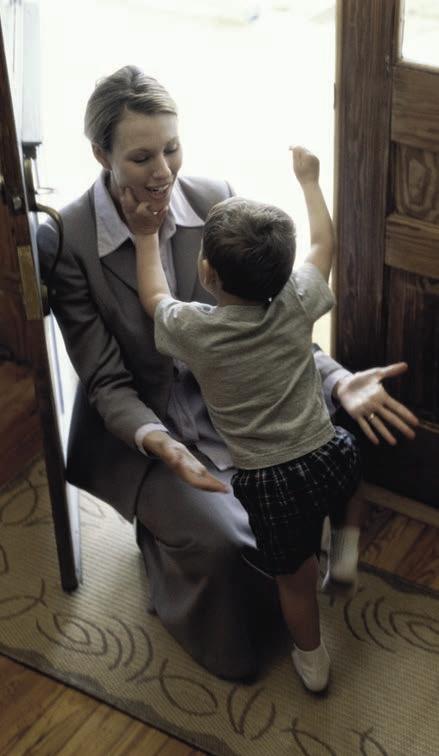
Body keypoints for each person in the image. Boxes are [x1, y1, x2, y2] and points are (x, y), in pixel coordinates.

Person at [37, 65, 419, 681]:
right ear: (100, 155)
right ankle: (166, 547)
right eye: (141, 157)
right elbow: (106, 382)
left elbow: (266, 325)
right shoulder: (70, 240)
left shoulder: (216, 200)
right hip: (152, 424)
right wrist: (162, 445)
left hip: (237, 408)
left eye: (172, 148)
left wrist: (336, 378)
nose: (163, 171)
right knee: (233, 543)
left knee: (315, 470)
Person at [126, 146, 363, 692]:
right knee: (352, 478)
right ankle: (347, 551)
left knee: (295, 579)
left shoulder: (197, 331)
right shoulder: (296, 301)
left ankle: (312, 662)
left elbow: (154, 295)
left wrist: (143, 236)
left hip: (270, 479)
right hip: (326, 449)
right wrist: (310, 181)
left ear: (207, 272)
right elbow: (324, 244)